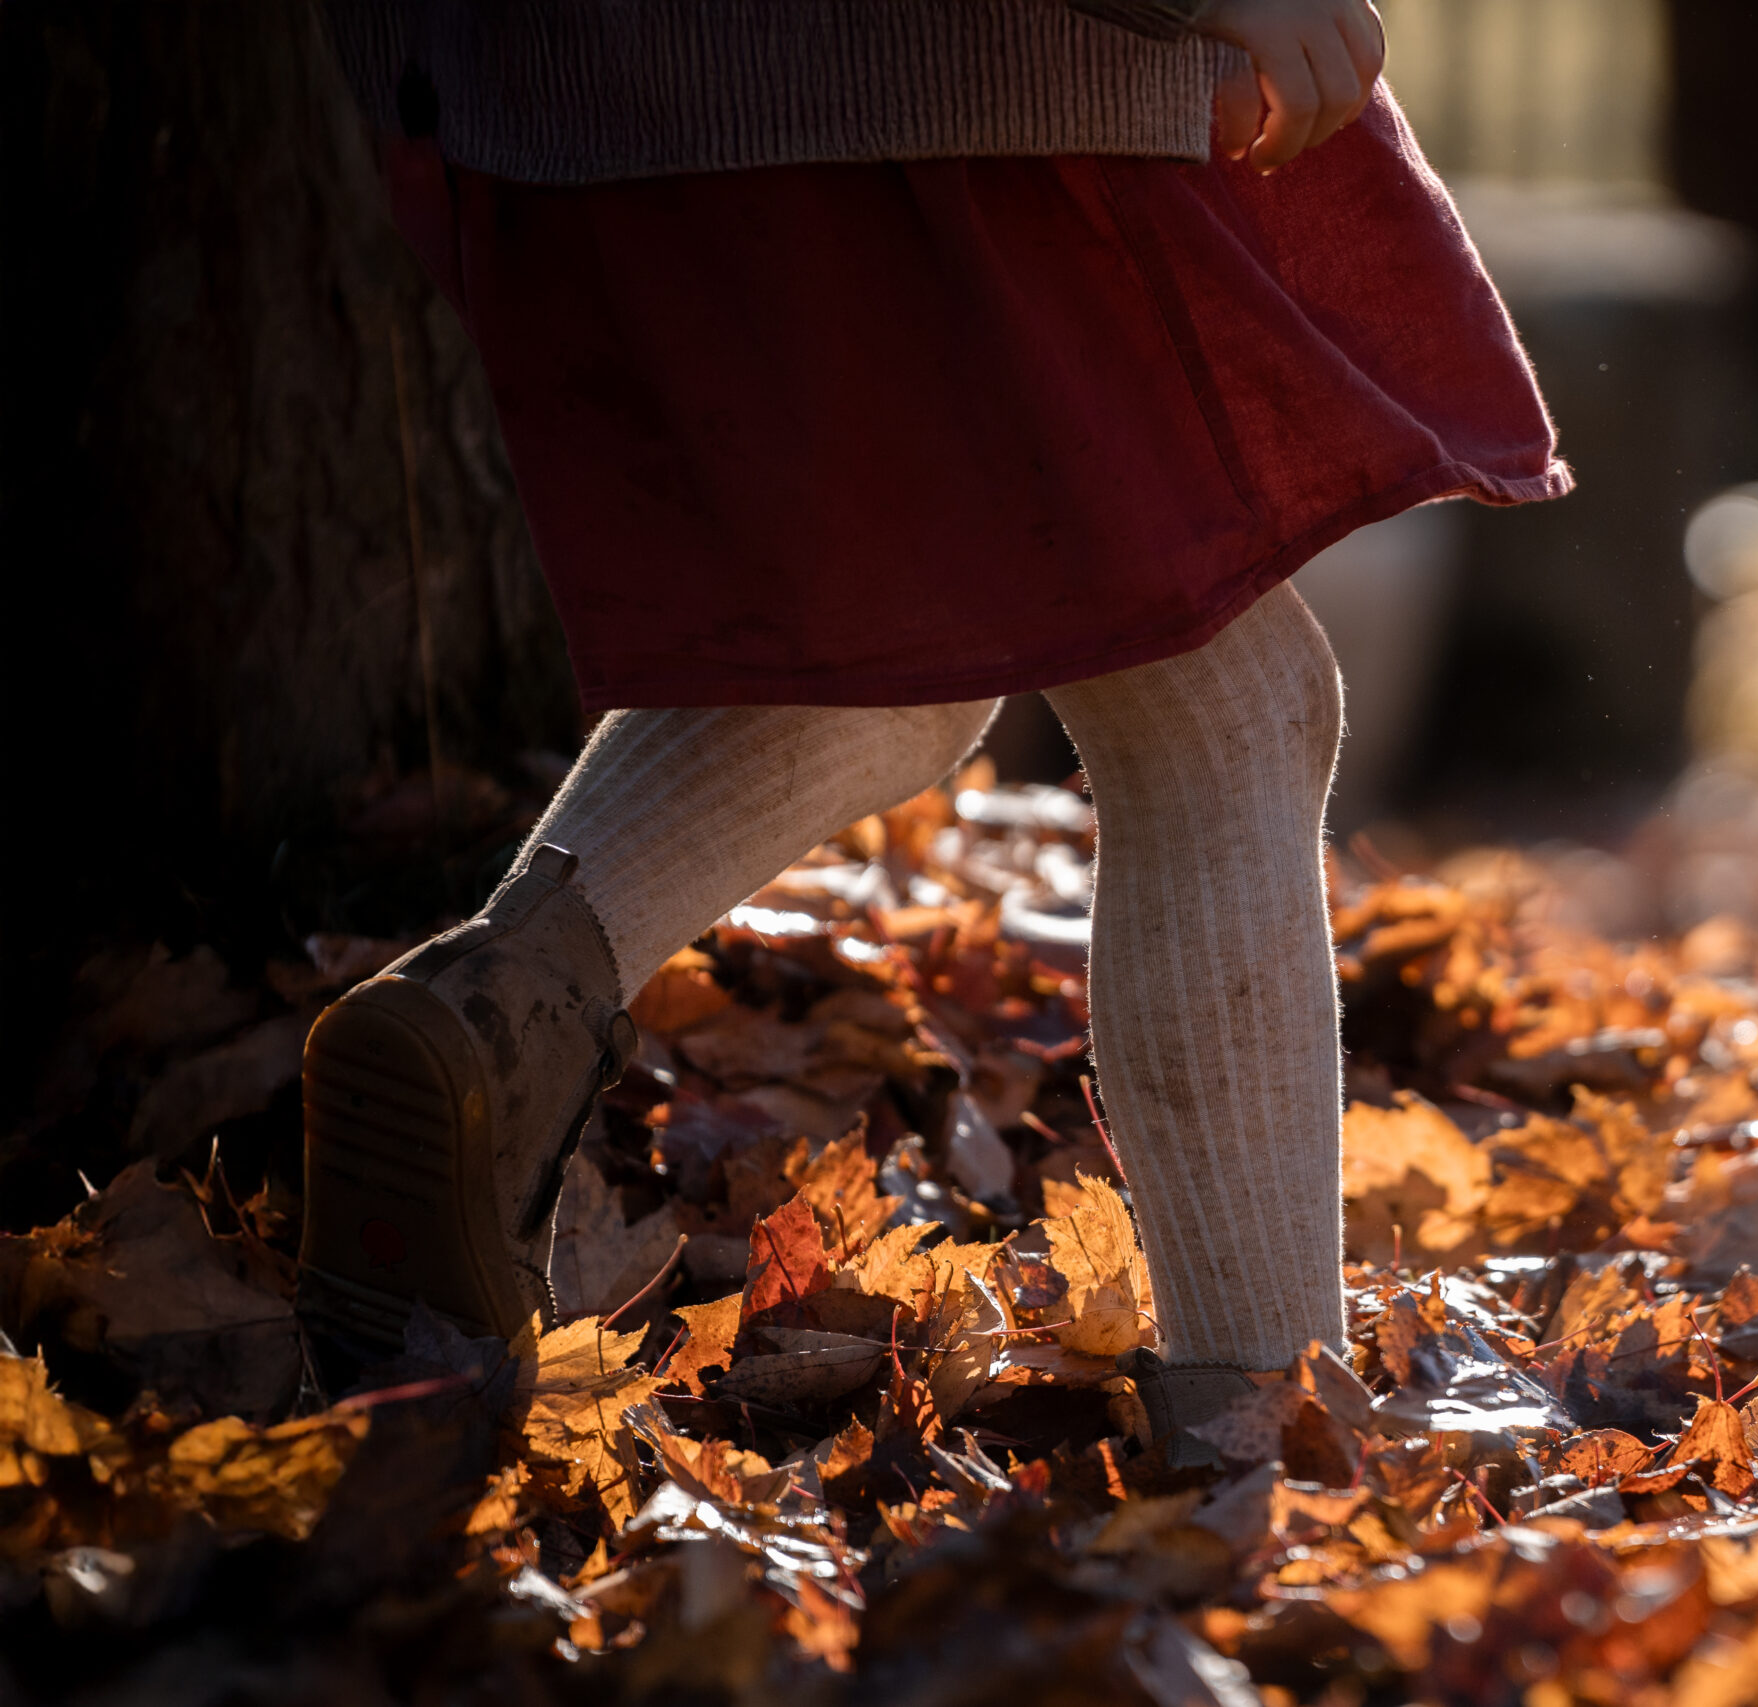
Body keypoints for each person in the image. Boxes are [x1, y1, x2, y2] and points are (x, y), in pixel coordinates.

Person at [299, 0, 1568, 1457]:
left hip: (614, 95)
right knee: (1227, 711)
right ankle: (1265, 1452)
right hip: (908, 82)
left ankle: (495, 1012)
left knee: (909, 644)